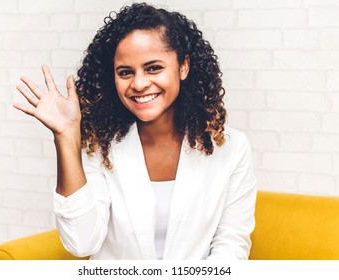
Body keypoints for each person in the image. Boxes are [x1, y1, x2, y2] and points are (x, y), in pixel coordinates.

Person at [14, 3, 257, 260]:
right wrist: (66, 138)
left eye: (153, 68)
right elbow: (82, 243)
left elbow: (231, 246)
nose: (139, 84)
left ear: (183, 67)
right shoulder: (100, 146)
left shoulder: (232, 147)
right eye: (126, 72)